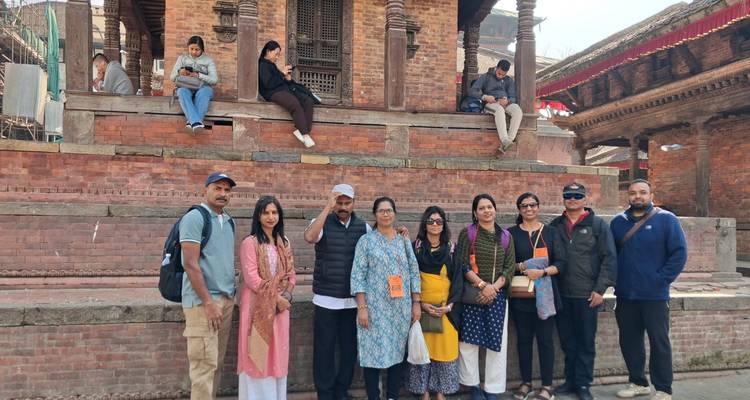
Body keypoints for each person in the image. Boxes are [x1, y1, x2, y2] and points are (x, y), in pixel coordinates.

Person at [610, 180, 687, 400]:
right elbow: (610, 256)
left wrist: (660, 279)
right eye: (633, 193)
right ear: (628, 196)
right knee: (630, 341)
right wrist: (616, 281)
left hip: (655, 295)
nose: (638, 197)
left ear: (652, 194)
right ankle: (638, 383)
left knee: (659, 342)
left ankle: (663, 388)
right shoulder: (617, 222)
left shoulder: (667, 220)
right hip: (625, 295)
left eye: (643, 193)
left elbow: (679, 254)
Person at [549, 183, 617, 400]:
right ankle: (570, 381)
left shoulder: (597, 225)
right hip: (561, 294)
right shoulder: (555, 226)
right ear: (563, 198)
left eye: (577, 196)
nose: (572, 199)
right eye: (568, 195)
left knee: (586, 341)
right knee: (567, 341)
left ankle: (583, 384)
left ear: (585, 199)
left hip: (587, 294)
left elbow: (609, 258)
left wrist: (600, 290)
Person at [303, 184, 371, 400]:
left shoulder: (364, 227)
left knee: (349, 351)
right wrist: (327, 207)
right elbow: (310, 237)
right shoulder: (321, 222)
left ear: (354, 203)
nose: (343, 207)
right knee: (324, 350)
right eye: (339, 203)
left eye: (346, 203)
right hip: (326, 300)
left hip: (352, 302)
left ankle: (341, 392)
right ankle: (325, 393)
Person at [351, 197, 421, 400]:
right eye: (381, 211)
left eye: (389, 210)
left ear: (395, 213)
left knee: (397, 353)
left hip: (400, 307)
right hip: (374, 307)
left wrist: (416, 303)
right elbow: (358, 274)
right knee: (372, 353)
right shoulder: (366, 241)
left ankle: (392, 396)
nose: (385, 214)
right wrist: (361, 307)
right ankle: (373, 396)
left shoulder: (403, 240)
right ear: (375, 214)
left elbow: (414, 272)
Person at [180, 172, 237, 400]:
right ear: (206, 190)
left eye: (227, 190)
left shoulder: (228, 220)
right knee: (203, 366)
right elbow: (190, 265)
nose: (223, 193)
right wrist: (208, 302)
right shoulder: (195, 217)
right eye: (218, 188)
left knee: (216, 363)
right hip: (203, 303)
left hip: (225, 300)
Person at [457, 194, 516, 400]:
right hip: (474, 294)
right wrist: (482, 285)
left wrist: (494, 288)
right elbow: (462, 264)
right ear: (475, 212)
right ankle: (473, 386)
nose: (486, 211)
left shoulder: (506, 237)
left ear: (495, 209)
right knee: (468, 343)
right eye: (481, 208)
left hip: (497, 296)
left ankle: (493, 389)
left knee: (496, 345)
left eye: (490, 206)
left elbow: (509, 269)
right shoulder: (468, 234)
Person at [508, 192, 566, 400]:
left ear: (538, 207)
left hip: (546, 296)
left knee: (545, 341)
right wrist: (524, 267)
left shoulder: (550, 232)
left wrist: (541, 272)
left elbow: (561, 263)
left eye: (532, 205)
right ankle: (525, 383)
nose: (529, 209)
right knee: (523, 340)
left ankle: (547, 386)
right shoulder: (511, 234)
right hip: (521, 296)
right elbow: (506, 265)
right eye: (524, 206)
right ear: (519, 209)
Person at [238, 195, 296, 400]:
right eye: (266, 213)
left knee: (277, 354)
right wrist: (276, 299)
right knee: (258, 355)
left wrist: (286, 295)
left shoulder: (284, 243)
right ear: (258, 216)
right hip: (257, 308)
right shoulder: (250, 243)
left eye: (274, 212)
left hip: (281, 310)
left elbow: (291, 275)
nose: (271, 217)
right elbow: (252, 279)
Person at [405, 206, 463, 400]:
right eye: (431, 221)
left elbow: (458, 280)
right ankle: (424, 393)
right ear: (424, 224)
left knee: (444, 352)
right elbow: (410, 278)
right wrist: (420, 304)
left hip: (446, 310)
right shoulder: (416, 248)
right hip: (421, 309)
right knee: (422, 352)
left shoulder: (452, 249)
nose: (435, 225)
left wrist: (450, 306)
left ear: (444, 224)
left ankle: (440, 392)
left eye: (439, 221)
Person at [259, 40, 316, 148]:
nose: (277, 57)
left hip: (284, 90)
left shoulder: (272, 65)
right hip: (272, 93)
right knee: (294, 103)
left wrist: (288, 79)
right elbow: (269, 84)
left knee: (307, 100)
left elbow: (280, 80)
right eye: (276, 54)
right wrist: (281, 73)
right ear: (268, 52)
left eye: (278, 55)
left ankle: (302, 131)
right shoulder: (262, 65)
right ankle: (305, 134)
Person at [468, 59, 523, 155]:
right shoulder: (486, 77)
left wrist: (508, 101)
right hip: (491, 103)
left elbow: (513, 97)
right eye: (499, 73)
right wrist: (484, 97)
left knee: (518, 111)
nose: (500, 76)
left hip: (505, 103)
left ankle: (508, 141)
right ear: (496, 68)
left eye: (503, 75)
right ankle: (504, 140)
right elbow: (472, 91)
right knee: (499, 110)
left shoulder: (508, 80)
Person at [170, 35, 219, 133]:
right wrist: (180, 73)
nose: (194, 52)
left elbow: (214, 80)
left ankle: (191, 122)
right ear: (188, 47)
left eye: (197, 49)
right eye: (191, 49)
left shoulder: (208, 61)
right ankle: (196, 123)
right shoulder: (182, 58)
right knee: (182, 92)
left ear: (202, 49)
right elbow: (172, 77)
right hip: (186, 86)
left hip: (203, 87)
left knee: (204, 92)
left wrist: (199, 75)